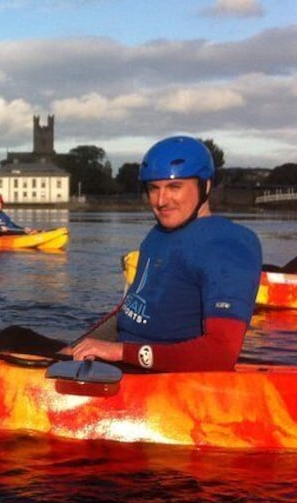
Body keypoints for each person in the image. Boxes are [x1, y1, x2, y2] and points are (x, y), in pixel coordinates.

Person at [68, 135, 262, 372]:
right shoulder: (157, 235)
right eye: (153, 189)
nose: (161, 201)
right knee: (18, 338)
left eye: (174, 187)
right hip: (126, 364)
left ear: (206, 186)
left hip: (169, 377)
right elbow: (129, 312)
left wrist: (121, 352)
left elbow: (221, 353)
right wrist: (76, 349)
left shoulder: (228, 242)